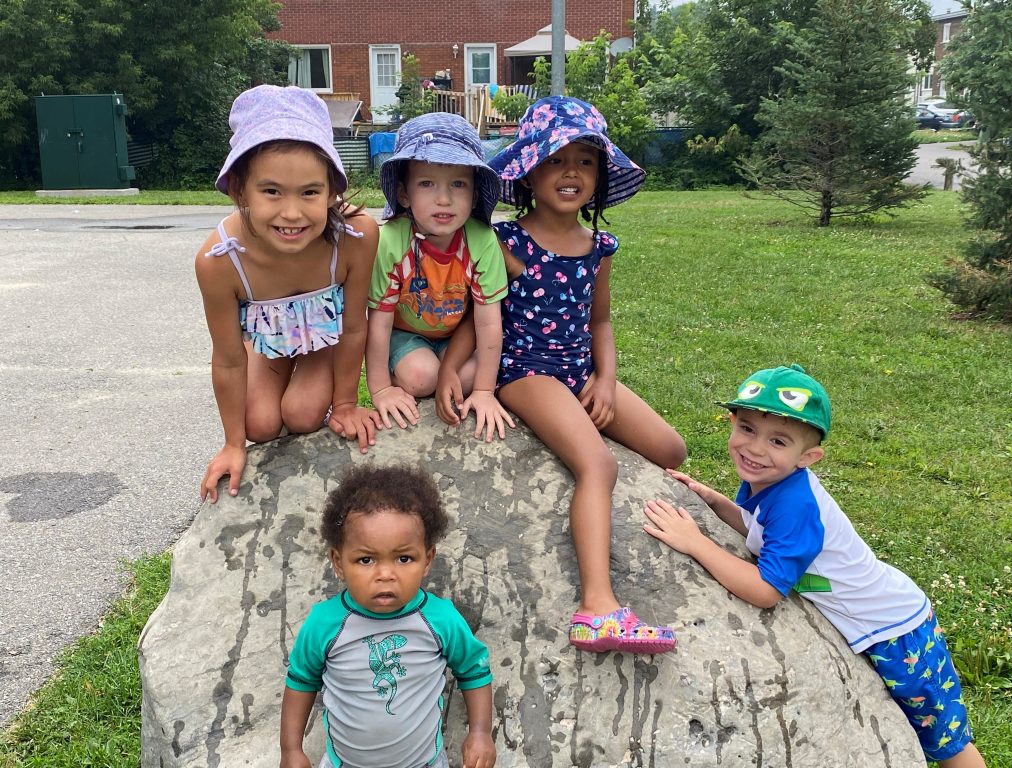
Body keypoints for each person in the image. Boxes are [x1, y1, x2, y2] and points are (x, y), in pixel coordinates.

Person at [643, 364, 986, 768]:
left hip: (897, 632)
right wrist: (715, 503)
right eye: (747, 429)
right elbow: (760, 531)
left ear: (808, 457)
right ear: (731, 422)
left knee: (945, 741)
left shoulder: (795, 504)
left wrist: (696, 543)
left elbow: (765, 591)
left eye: (778, 440)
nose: (755, 449)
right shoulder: (769, 479)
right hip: (880, 621)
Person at [483, 96, 688, 654]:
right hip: (525, 371)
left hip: (580, 372)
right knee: (597, 463)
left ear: (600, 177)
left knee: (671, 448)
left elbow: (600, 320)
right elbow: (476, 315)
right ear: (528, 171)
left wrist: (604, 378)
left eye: (586, 161)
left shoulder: (599, 247)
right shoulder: (506, 243)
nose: (571, 172)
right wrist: (470, 381)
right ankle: (597, 607)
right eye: (555, 159)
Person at [195, 85, 381, 503]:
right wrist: (232, 443)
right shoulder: (219, 259)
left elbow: (354, 327)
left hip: (325, 342)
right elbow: (227, 358)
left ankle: (317, 374)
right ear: (239, 189)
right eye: (272, 191)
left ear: (332, 190)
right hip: (271, 346)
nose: (292, 213)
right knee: (259, 425)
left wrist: (347, 403)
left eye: (310, 192)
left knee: (302, 415)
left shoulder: (356, 235)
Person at [280, 464, 496, 768]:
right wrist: (291, 750)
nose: (385, 574)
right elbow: (301, 682)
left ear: (427, 560)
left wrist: (480, 732)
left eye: (404, 558)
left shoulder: (440, 619)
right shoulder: (324, 623)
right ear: (339, 563)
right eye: (365, 559)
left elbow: (474, 670)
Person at [366, 112, 514, 442]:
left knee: (482, 373)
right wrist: (379, 389)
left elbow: (489, 322)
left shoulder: (482, 241)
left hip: (456, 338)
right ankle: (404, 373)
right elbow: (379, 321)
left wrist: (485, 391)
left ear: (475, 195)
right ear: (404, 194)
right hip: (406, 334)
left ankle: (461, 379)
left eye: (458, 184)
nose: (443, 198)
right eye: (427, 183)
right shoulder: (391, 241)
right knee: (421, 378)